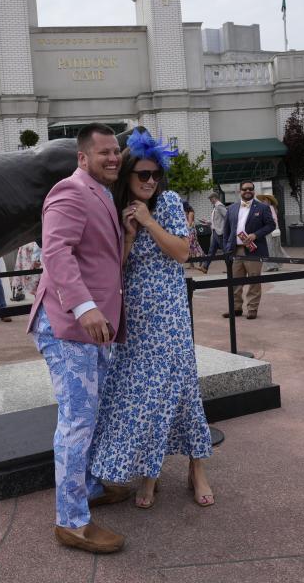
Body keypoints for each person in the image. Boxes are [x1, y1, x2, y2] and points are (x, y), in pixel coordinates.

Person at [91, 128, 213, 510]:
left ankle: (197, 468)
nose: (150, 181)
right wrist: (128, 236)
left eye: (155, 175)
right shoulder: (117, 209)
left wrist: (148, 221)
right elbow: (115, 271)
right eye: (142, 175)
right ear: (128, 176)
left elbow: (182, 252)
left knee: (181, 390)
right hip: (137, 320)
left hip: (171, 315)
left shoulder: (171, 202)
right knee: (144, 395)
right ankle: (150, 470)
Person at [27, 122, 129, 554]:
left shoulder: (102, 193)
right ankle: (71, 522)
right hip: (67, 326)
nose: (113, 158)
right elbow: (55, 252)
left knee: (89, 414)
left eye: (116, 152)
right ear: (82, 157)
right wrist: (85, 307)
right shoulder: (69, 191)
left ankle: (86, 485)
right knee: (77, 420)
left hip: (93, 329)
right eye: (104, 152)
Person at [222, 181, 276, 320]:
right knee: (234, 281)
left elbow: (271, 225)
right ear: (240, 191)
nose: (248, 191)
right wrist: (226, 250)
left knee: (254, 281)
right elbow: (226, 231)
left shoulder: (263, 207)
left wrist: (255, 235)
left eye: (250, 189)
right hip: (236, 250)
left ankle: (252, 309)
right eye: (245, 189)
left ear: (254, 191)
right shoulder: (232, 208)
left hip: (254, 250)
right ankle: (236, 308)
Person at [256, 194, 286, 272]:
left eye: (264, 200)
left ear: (269, 200)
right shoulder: (272, 208)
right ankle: (275, 265)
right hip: (274, 230)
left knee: (269, 249)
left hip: (270, 231)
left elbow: (272, 220)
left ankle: (271, 266)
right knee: (273, 249)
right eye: (262, 200)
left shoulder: (268, 208)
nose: (263, 201)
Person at [201, 192, 227, 273]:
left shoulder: (219, 206)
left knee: (226, 251)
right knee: (211, 251)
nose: (210, 200)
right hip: (215, 232)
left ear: (215, 198)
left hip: (220, 233)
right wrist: (208, 222)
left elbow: (227, 216)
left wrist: (224, 228)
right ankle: (205, 267)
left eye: (211, 199)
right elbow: (217, 220)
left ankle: (231, 268)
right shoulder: (215, 207)